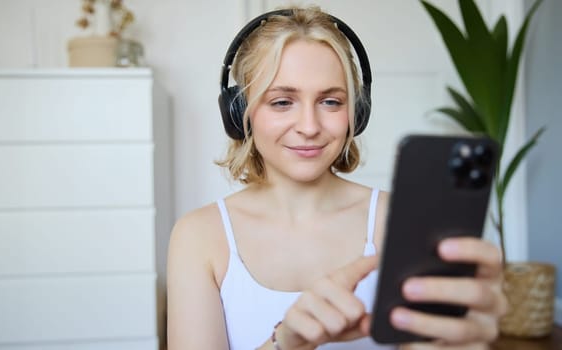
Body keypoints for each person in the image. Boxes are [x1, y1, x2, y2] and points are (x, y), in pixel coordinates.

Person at [166, 5, 508, 349]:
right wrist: (284, 343)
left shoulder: (395, 220)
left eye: (330, 101)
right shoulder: (199, 236)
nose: (310, 127)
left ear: (356, 114)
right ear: (241, 111)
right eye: (283, 102)